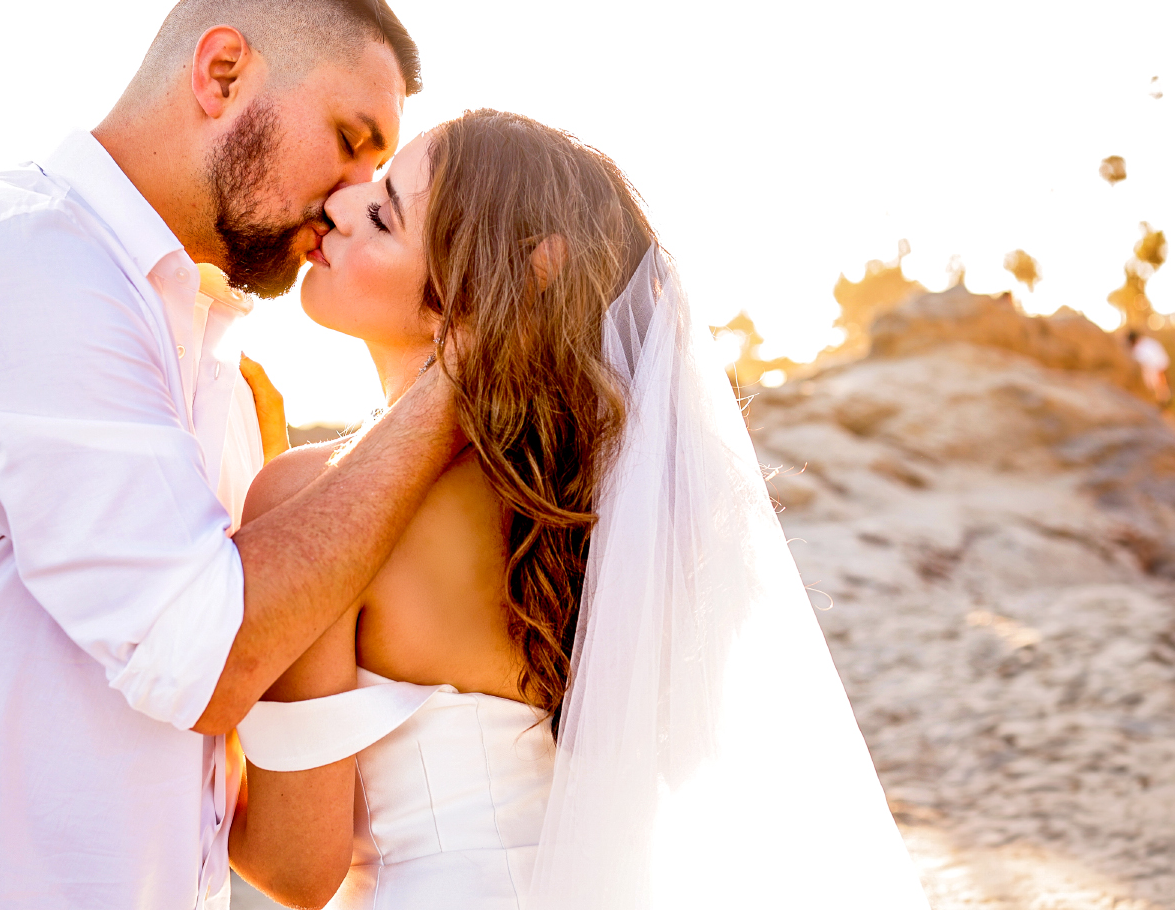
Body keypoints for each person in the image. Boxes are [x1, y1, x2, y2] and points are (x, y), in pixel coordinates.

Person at [0, 0, 456, 910]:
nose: (351, 196)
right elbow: (208, 659)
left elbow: (277, 855)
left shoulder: (215, 369)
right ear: (223, 74)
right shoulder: (13, 265)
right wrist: (461, 385)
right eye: (349, 138)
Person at [226, 110, 931, 909]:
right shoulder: (599, 508)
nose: (341, 206)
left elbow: (297, 867)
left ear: (478, 291)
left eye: (383, 215)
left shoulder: (311, 500)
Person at [1130, 329, 1171, 404]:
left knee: (1160, 393)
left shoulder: (1142, 347)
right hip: (1154, 373)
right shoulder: (1149, 343)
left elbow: (1160, 364)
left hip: (1154, 373)